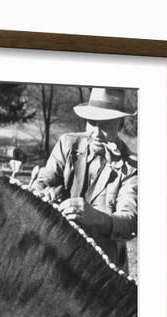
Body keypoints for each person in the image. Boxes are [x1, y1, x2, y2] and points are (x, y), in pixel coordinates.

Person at [31, 87, 137, 272]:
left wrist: (96, 218)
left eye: (105, 125)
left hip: (104, 268)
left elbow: (130, 222)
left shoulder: (132, 166)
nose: (96, 133)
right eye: (92, 122)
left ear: (120, 125)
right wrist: (42, 194)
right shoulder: (67, 144)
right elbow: (41, 183)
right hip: (59, 257)